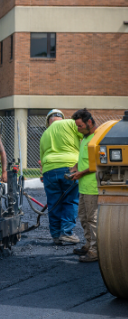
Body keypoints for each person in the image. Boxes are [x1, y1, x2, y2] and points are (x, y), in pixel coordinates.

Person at [40, 109, 83, 245]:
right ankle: (67, 233)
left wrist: (44, 174)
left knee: (54, 202)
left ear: (48, 121)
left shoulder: (44, 134)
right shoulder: (71, 123)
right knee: (70, 200)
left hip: (49, 170)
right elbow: (85, 137)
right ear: (62, 117)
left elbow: (41, 159)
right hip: (69, 166)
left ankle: (56, 235)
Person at [70, 109, 99, 262]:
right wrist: (76, 167)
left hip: (92, 185)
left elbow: (100, 163)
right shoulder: (85, 138)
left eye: (80, 126)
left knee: (92, 219)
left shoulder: (97, 138)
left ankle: (95, 251)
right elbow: (85, 160)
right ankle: (89, 245)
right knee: (83, 217)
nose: (78, 129)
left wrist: (81, 173)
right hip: (83, 186)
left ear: (89, 122)